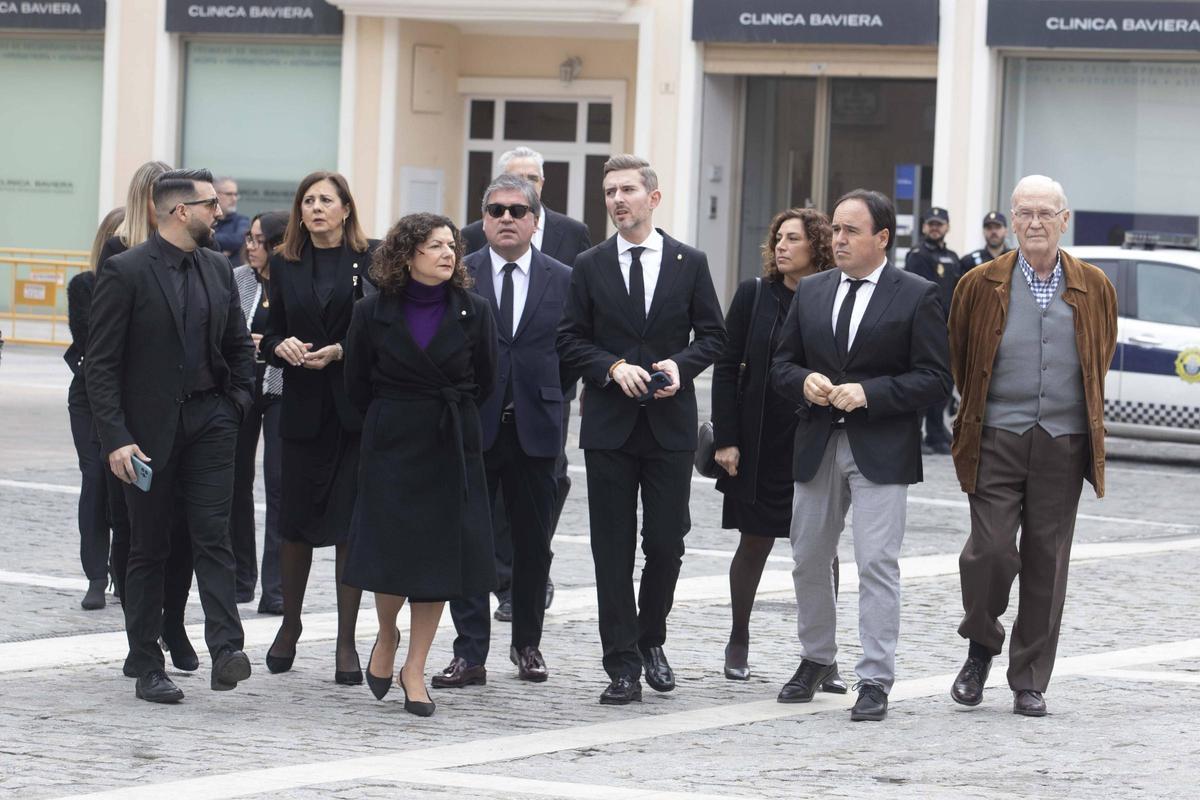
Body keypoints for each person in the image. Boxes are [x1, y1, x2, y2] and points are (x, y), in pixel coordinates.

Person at [770, 189, 951, 722]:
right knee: (807, 557)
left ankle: (875, 677)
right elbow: (781, 364)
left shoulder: (917, 294)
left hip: (881, 447)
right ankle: (816, 659)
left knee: (876, 563)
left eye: (850, 230)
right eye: (835, 229)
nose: (838, 239)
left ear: (882, 239)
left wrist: (871, 393)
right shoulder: (812, 291)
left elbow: (936, 378)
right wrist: (805, 382)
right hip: (818, 441)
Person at [557, 154, 726, 705]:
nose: (616, 200)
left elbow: (714, 336)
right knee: (611, 548)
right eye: (609, 192)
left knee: (665, 544)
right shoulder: (590, 264)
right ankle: (622, 663)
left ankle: (652, 638)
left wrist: (682, 365)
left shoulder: (689, 260)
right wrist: (610, 367)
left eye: (626, 189)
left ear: (653, 198)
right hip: (609, 426)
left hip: (669, 427)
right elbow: (569, 338)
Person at [948, 175, 1117, 717]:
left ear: (1065, 220)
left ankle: (1030, 678)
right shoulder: (979, 283)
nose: (1035, 223)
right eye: (1025, 213)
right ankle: (980, 647)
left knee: (1048, 560)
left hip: (1063, 442)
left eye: (1046, 213)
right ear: (1011, 220)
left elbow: (1099, 357)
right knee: (990, 551)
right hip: (997, 435)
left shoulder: (1094, 286)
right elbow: (961, 354)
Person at [86, 168, 256, 704]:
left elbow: (237, 348)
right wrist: (115, 437)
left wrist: (237, 404)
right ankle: (146, 661)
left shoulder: (217, 269)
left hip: (211, 423)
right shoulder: (125, 271)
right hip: (146, 435)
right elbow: (102, 365)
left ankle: (227, 648)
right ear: (181, 211)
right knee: (148, 546)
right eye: (210, 205)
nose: (221, 213)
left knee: (213, 535)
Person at [343, 213, 498, 717]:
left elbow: (488, 380)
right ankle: (386, 636)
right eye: (434, 245)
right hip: (391, 442)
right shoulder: (371, 312)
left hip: (448, 444)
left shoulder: (474, 311)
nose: (448, 253)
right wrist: (390, 421)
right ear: (408, 254)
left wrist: (458, 426)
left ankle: (415, 666)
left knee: (437, 564)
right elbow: (356, 385)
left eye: (451, 245)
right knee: (392, 558)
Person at [435, 174, 572, 690]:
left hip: (537, 429)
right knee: (470, 541)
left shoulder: (564, 277)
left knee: (533, 545)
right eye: (496, 210)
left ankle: (527, 644)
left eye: (518, 210)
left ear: (536, 221)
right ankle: (469, 653)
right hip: (474, 428)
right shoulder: (459, 275)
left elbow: (574, 350)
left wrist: (550, 393)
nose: (507, 218)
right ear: (483, 220)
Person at [710, 208, 843, 689]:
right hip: (759, 438)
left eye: (793, 239)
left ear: (817, 246)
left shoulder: (832, 295)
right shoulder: (754, 294)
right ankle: (738, 637)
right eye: (778, 238)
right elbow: (727, 366)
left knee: (821, 550)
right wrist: (726, 438)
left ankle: (823, 655)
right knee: (755, 541)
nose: (782, 247)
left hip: (813, 438)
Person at [462, 146, 592, 620]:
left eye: (530, 184)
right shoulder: (467, 259)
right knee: (479, 512)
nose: (509, 214)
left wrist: (554, 383)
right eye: (498, 207)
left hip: (544, 400)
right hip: (481, 407)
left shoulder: (570, 242)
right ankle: (490, 600)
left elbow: (578, 329)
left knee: (546, 491)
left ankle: (527, 597)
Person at [260, 171, 377, 685]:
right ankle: (290, 623)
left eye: (325, 200)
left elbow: (381, 329)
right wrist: (279, 346)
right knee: (295, 522)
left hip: (353, 411)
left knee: (350, 525)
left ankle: (347, 641)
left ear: (346, 208)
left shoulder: (371, 259)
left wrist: (345, 350)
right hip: (302, 406)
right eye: (307, 201)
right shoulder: (285, 264)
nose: (315, 208)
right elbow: (268, 331)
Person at [95, 160, 200, 675]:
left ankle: (171, 623)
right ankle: (143, 643)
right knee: (135, 532)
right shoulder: (122, 256)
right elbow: (102, 353)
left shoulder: (199, 257)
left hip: (184, 420)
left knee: (179, 532)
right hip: (130, 420)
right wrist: (116, 432)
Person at [66, 206, 125, 610]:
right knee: (95, 478)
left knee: (126, 485)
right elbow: (88, 343)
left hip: (131, 398)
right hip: (89, 395)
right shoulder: (85, 285)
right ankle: (95, 575)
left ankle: (122, 572)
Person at [230, 210, 289, 614]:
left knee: (280, 485)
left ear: (278, 244)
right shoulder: (237, 279)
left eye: (258, 240)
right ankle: (240, 579)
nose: (250, 247)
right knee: (235, 482)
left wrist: (270, 342)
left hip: (283, 387)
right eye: (249, 239)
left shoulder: (295, 280)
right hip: (241, 388)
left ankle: (276, 588)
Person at [904, 206, 960, 456]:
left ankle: (937, 432)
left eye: (939, 223)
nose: (935, 227)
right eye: (931, 223)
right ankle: (915, 435)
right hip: (926, 327)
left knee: (944, 382)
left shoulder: (952, 256)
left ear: (947, 227)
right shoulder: (918, 255)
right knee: (922, 380)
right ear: (924, 227)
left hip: (948, 328)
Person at [212, 177, 250, 266]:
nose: (234, 199)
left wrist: (210, 239)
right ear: (215, 194)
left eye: (236, 194)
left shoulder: (242, 221)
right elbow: (199, 240)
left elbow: (238, 240)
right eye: (229, 194)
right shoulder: (206, 220)